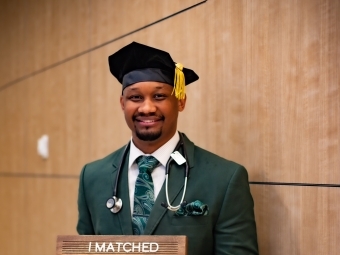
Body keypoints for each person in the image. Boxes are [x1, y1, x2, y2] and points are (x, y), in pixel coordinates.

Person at [77, 41, 259, 255]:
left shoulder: (224, 179)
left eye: (159, 96)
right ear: (122, 103)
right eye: (135, 97)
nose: (147, 108)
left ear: (180, 102)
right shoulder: (93, 177)